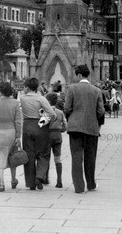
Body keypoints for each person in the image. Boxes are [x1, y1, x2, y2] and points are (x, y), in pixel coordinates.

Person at [64, 64, 104, 194]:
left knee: (76, 156)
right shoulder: (96, 90)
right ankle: (91, 184)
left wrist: (71, 118)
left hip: (75, 127)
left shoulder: (72, 88)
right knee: (90, 156)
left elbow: (67, 108)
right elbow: (101, 111)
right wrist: (94, 119)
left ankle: (79, 187)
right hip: (91, 128)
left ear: (79, 75)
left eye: (76, 75)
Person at [20, 77, 56, 190]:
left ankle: (31, 182)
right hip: (40, 127)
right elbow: (52, 114)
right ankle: (39, 177)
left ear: (27, 87)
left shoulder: (22, 98)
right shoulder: (41, 99)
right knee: (43, 154)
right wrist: (44, 122)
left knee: (29, 155)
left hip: (27, 126)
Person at [45, 92, 67, 188]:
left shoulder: (46, 112)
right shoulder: (60, 112)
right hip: (58, 136)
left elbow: (41, 124)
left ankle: (46, 178)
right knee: (57, 158)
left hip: (48, 135)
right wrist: (60, 130)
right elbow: (65, 126)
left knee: (46, 157)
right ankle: (59, 181)